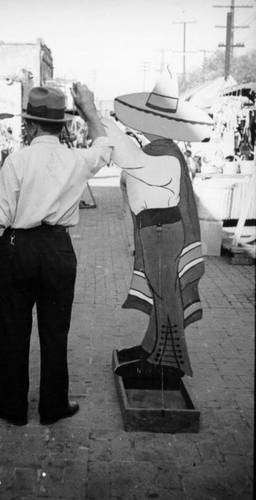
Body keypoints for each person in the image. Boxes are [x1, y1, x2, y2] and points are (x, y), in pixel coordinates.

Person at [0, 83, 112, 425]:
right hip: (58, 251)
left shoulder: (17, 160)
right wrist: (89, 108)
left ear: (30, 126)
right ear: (62, 126)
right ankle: (53, 406)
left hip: (17, 250)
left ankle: (13, 407)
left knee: (13, 331)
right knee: (55, 332)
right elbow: (105, 146)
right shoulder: (77, 159)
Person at [102, 67, 212, 378]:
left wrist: (99, 121)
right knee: (160, 290)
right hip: (157, 229)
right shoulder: (158, 151)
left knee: (165, 293)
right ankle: (152, 348)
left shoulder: (163, 155)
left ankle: (168, 363)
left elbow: (130, 161)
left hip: (162, 230)